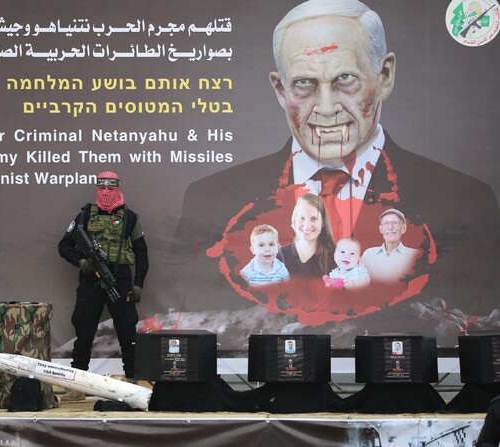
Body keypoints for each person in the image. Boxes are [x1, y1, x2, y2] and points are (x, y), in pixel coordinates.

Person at [172, 0, 500, 346]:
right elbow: (195, 323)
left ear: (385, 76)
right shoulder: (210, 201)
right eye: (304, 83)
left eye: (345, 79)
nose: (326, 108)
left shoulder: (465, 199)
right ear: (280, 90)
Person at [58, 171, 149, 387]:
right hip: (91, 281)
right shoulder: (86, 215)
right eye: (102, 188)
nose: (106, 193)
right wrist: (83, 263)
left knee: (127, 333)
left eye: (110, 188)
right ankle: (77, 385)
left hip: (121, 280)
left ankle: (133, 380)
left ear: (117, 188)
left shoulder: (130, 217)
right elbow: (64, 246)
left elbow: (142, 254)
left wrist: (137, 286)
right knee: (84, 333)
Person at [281, 194, 336, 278]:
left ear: (323, 222)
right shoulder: (279, 255)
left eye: (314, 219)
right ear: (294, 220)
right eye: (302, 218)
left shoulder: (338, 256)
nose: (307, 225)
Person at [361, 209, 420, 283]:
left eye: (395, 223)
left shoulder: (415, 256)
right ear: (381, 229)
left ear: (404, 228)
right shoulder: (369, 254)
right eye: (386, 223)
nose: (390, 227)